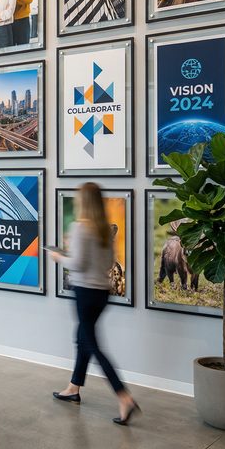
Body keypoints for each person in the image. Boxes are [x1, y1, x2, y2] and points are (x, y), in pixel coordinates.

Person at [48, 182, 140, 425]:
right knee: (82, 339)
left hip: (85, 292)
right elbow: (108, 262)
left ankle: (124, 396)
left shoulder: (80, 227)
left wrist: (58, 256)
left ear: (84, 201)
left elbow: (76, 264)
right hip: (102, 293)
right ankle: (73, 388)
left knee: (93, 345)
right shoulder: (103, 230)